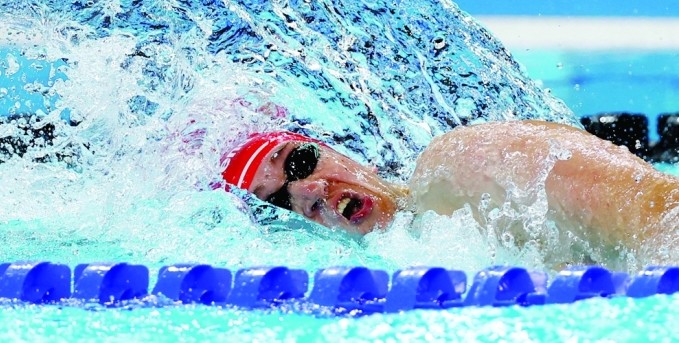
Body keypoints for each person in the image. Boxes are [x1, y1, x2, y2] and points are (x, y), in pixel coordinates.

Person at [221, 120, 679, 262]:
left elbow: (661, 212)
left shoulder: (458, 166)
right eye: (279, 201)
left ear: (347, 155)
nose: (310, 190)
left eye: (299, 162)